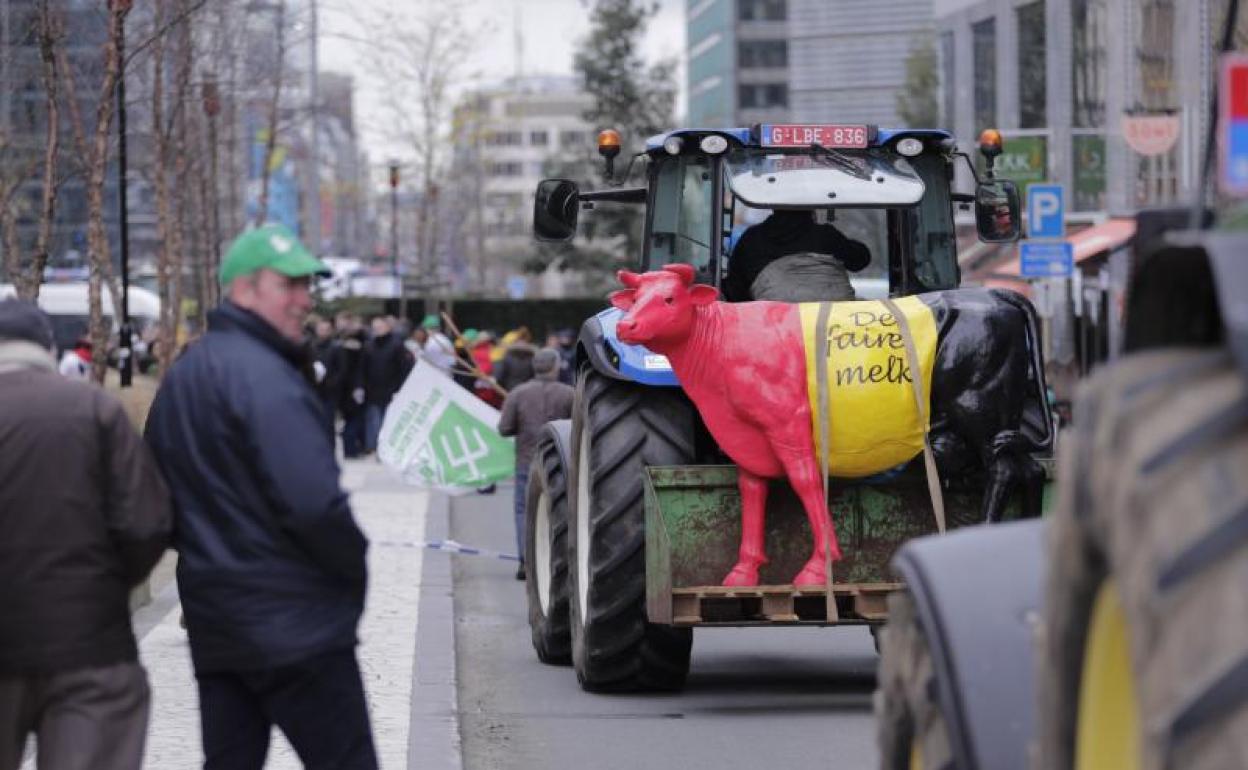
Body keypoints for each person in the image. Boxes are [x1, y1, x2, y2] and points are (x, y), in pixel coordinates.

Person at [144, 224, 377, 769]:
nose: (304, 299)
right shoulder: (268, 379)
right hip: (298, 629)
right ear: (244, 290)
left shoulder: (184, 377)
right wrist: (351, 579)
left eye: (306, 285)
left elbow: (152, 497)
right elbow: (316, 504)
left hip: (217, 622)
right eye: (289, 285)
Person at [0, 298, 172, 770]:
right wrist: (104, 588)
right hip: (88, 643)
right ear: (48, 348)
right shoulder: (94, 409)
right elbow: (147, 522)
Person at [497, 348, 574, 580]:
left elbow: (504, 429)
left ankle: (525, 560)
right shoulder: (570, 394)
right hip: (560, 461)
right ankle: (557, 562)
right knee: (561, 511)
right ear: (556, 366)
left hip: (526, 460)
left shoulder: (518, 394)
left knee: (524, 511)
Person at [722, 209, 871, 302]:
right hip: (835, 325)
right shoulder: (825, 236)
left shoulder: (752, 239)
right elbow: (860, 260)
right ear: (811, 208)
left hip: (775, 325)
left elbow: (735, 292)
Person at [361, 315, 413, 454]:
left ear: (388, 327)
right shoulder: (369, 345)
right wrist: (361, 385)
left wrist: (401, 388)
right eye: (375, 327)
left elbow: (404, 367)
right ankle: (372, 446)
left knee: (386, 420)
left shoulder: (397, 345)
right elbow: (363, 367)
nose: (377, 330)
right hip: (372, 389)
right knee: (373, 420)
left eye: (380, 327)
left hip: (391, 390)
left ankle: (384, 448)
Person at [311, 317, 345, 438]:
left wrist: (331, 383)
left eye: (326, 329)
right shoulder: (311, 346)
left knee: (327, 424)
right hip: (313, 390)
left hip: (329, 392)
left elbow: (341, 370)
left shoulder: (336, 347)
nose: (323, 332)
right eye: (321, 329)